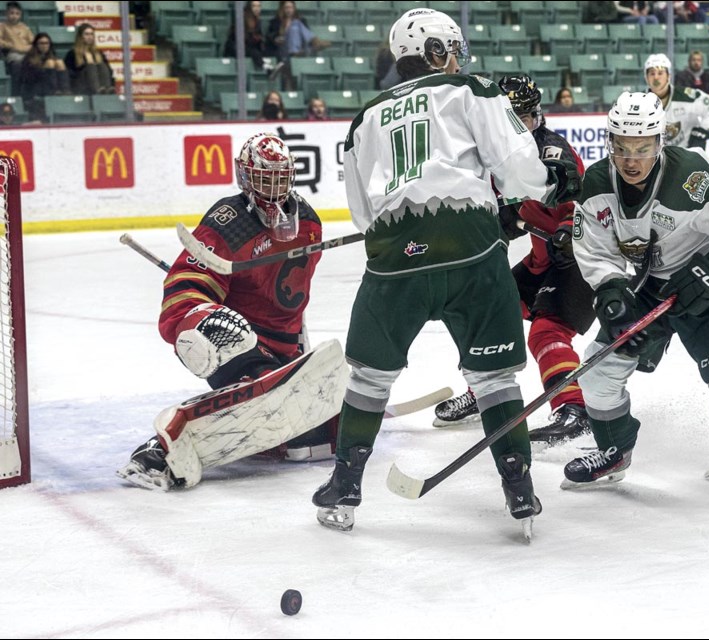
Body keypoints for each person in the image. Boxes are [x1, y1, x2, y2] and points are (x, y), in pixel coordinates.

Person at [312, 8, 580, 535]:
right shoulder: (472, 90)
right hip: (471, 252)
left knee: (370, 376)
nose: (457, 58)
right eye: (452, 49)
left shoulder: (364, 116)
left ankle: (344, 482)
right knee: (495, 377)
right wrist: (551, 182)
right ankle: (519, 487)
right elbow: (518, 167)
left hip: (393, 261)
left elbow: (363, 213)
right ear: (436, 52)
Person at [560, 91, 709, 488]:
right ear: (609, 143)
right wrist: (613, 296)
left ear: (659, 142)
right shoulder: (598, 182)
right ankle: (614, 450)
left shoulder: (691, 176)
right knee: (597, 374)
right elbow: (595, 251)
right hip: (654, 290)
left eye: (642, 148)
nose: (631, 160)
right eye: (622, 148)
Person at [117, 133, 338, 491]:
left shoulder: (309, 224)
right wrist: (203, 317)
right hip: (241, 341)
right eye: (265, 178)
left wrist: (300, 353)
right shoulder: (229, 221)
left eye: (281, 178)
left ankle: (271, 406)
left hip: (283, 349)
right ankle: (158, 451)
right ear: (245, 176)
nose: (274, 188)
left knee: (319, 430)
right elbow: (186, 284)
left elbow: (292, 303)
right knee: (265, 398)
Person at [434, 74, 592, 447]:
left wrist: (569, 228)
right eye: (511, 118)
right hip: (543, 261)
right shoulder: (492, 157)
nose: (520, 127)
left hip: (583, 260)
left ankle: (574, 409)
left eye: (526, 117)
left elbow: (584, 198)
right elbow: (505, 218)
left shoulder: (550, 151)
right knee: (484, 309)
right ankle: (484, 390)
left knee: (546, 332)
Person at [643, 53, 709, 149]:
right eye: (652, 73)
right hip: (653, 159)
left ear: (668, 76)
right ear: (646, 77)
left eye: (660, 73)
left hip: (685, 157)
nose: (656, 77)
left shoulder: (687, 96)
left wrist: (703, 133)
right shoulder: (638, 102)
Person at [63, 23, 115, 95]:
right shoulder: (72, 53)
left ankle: (107, 89)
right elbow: (69, 73)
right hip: (80, 84)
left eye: (91, 34)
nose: (89, 37)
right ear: (81, 36)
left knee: (102, 65)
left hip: (100, 83)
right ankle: (97, 90)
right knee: (90, 67)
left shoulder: (98, 53)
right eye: (86, 34)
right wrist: (85, 66)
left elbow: (109, 71)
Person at [19, 33, 70, 105]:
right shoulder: (29, 59)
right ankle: (53, 91)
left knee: (60, 62)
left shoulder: (53, 55)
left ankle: (65, 91)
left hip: (52, 86)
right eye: (41, 43)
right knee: (50, 63)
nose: (44, 46)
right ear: (36, 44)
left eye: (47, 43)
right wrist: (43, 70)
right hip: (35, 88)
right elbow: (27, 79)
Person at [0, 1, 33, 94]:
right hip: (12, 54)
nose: (14, 16)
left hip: (26, 54)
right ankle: (16, 94)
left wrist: (25, 48)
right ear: (6, 13)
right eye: (11, 13)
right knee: (17, 66)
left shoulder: (24, 27)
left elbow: (33, 42)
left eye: (17, 14)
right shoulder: (2, 26)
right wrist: (13, 46)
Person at [224, 0, 268, 70]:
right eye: (254, 6)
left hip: (249, 46)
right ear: (249, 7)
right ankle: (266, 68)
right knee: (255, 52)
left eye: (258, 6)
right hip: (235, 47)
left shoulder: (258, 22)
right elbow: (237, 37)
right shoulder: (241, 19)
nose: (257, 8)